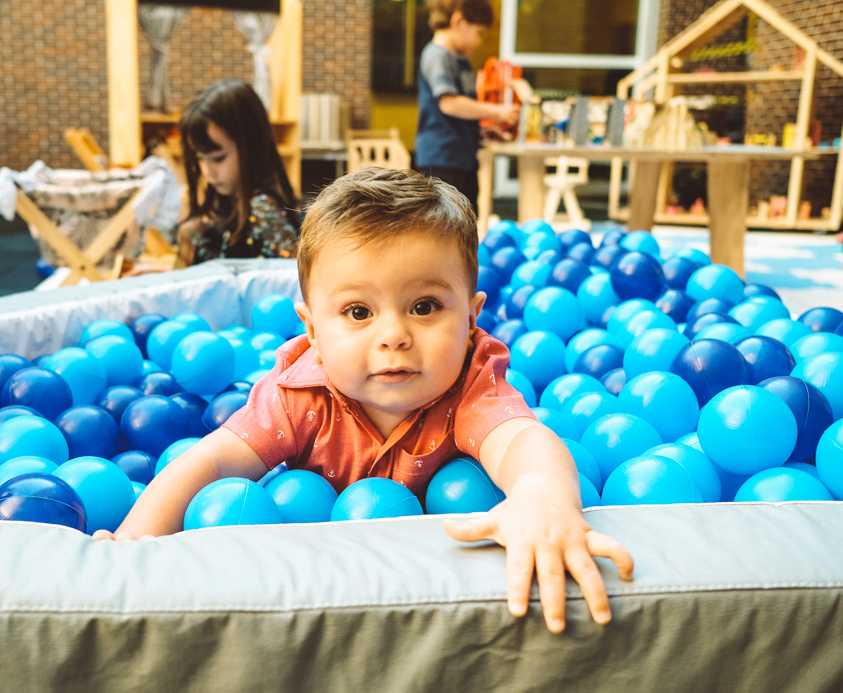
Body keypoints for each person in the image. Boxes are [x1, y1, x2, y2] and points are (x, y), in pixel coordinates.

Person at [96, 167, 634, 634]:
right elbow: (211, 459)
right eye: (358, 313)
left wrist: (543, 500)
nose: (394, 335)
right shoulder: (298, 397)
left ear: (471, 321)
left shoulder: (469, 387)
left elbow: (523, 441)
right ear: (312, 333)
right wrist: (132, 546)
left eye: (425, 306)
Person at [174, 78, 299, 267]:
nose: (207, 171)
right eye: (200, 158)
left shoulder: (262, 210)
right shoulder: (229, 203)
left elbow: (298, 274)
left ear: (251, 146)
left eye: (218, 158)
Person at [415, 0, 518, 214]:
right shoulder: (437, 56)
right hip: (442, 161)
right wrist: (497, 111)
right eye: (479, 32)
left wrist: (479, 131)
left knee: (467, 218)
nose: (479, 41)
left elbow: (459, 114)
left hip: (463, 159)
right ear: (459, 21)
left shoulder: (459, 59)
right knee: (444, 222)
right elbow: (449, 104)